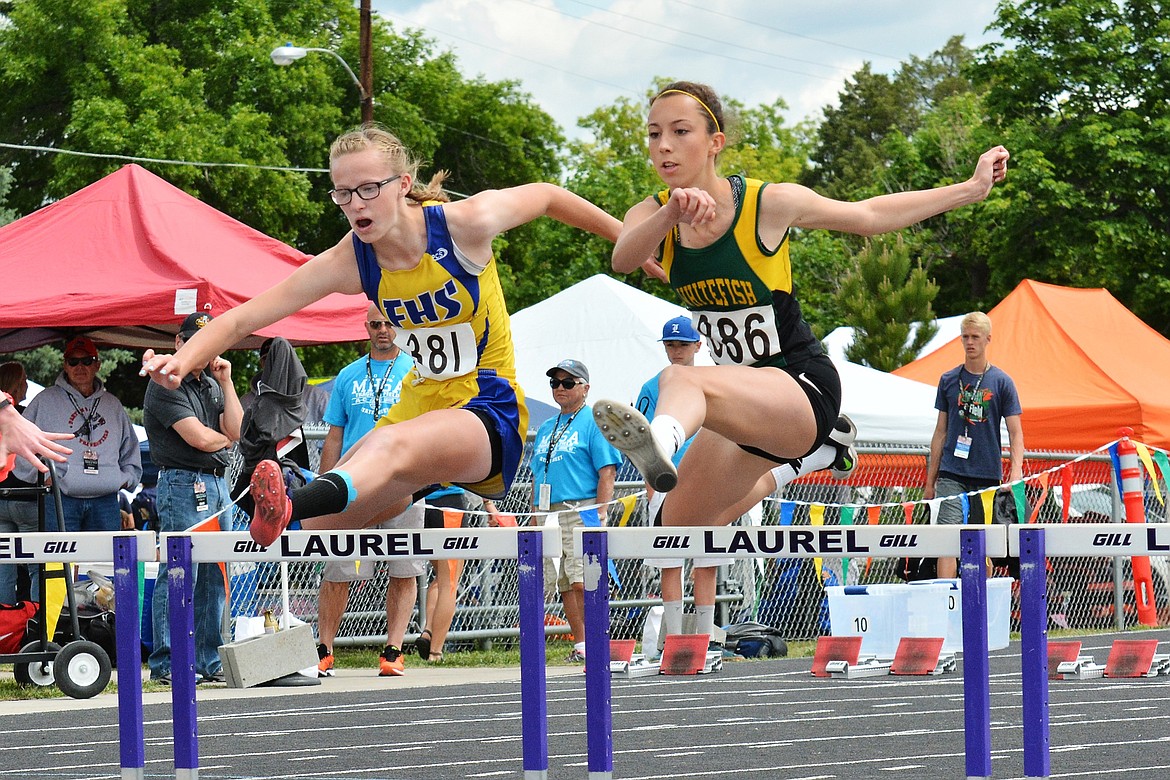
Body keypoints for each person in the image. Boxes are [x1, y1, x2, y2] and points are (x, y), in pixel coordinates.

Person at [139, 124, 629, 554]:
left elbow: (547, 195)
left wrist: (626, 237)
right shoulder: (351, 259)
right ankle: (348, 497)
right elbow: (243, 318)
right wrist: (181, 360)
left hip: (486, 406)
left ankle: (290, 497)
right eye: (342, 193)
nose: (355, 205)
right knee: (326, 521)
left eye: (369, 189)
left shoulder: (464, 226)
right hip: (420, 403)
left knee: (386, 446)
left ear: (404, 185)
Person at [594, 81, 1010, 538]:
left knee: (677, 376)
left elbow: (868, 216)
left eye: (679, 131)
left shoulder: (766, 204)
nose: (664, 146)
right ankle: (812, 458)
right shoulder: (652, 214)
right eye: (653, 134)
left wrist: (970, 189)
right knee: (673, 524)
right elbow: (624, 259)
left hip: (800, 387)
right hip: (742, 399)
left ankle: (662, 441)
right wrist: (672, 214)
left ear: (715, 143)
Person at [637, 316, 856, 650]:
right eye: (670, 345)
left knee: (706, 550)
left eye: (683, 344)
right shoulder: (656, 385)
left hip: (723, 457)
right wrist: (654, 482)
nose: (676, 351)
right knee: (678, 544)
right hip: (675, 482)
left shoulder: (720, 377)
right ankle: (821, 453)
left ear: (698, 345)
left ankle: (700, 638)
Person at [314, 304, 420, 677]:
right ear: (366, 327)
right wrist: (323, 488)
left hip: (403, 480)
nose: (382, 330)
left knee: (403, 566)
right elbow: (335, 434)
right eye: (375, 324)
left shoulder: (416, 370)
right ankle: (324, 648)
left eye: (389, 323)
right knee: (339, 568)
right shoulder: (348, 375)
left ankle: (393, 649)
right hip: (355, 481)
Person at [143, 312, 243, 685]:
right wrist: (227, 439)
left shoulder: (211, 384)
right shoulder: (163, 384)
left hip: (216, 483)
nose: (201, 351)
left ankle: (206, 659)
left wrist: (228, 383)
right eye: (193, 342)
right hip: (183, 483)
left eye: (210, 343)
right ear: (178, 344)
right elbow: (200, 438)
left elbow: (235, 427)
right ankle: (167, 662)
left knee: (216, 574)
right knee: (181, 570)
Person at [531, 359, 622, 662]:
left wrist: (600, 512)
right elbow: (537, 474)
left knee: (584, 580)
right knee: (564, 582)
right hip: (549, 512)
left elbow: (607, 471)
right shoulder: (546, 427)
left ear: (585, 387)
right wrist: (535, 514)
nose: (560, 388)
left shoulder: (593, 421)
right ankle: (582, 645)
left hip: (581, 506)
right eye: (555, 383)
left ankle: (598, 641)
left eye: (568, 383)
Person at [925, 311, 1024, 578]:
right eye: (965, 337)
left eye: (975, 337)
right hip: (951, 472)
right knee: (948, 535)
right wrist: (929, 481)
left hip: (987, 473)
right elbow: (940, 432)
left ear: (987, 339)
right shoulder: (948, 380)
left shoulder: (1001, 382)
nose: (970, 343)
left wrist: (1015, 473)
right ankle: (946, 599)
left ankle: (983, 600)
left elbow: (1016, 433)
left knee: (984, 541)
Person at [17, 337, 141, 533]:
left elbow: (130, 448)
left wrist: (126, 478)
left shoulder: (112, 404)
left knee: (105, 561)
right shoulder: (44, 401)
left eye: (87, 361)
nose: (80, 367)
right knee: (59, 561)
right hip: (61, 498)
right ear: (65, 365)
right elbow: (19, 443)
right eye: (73, 361)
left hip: (106, 499)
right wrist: (47, 478)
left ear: (97, 365)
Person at [0, 361, 69, 603]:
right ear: (17, 385)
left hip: (1, 500)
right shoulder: (23, 420)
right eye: (25, 378)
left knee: (3, 568)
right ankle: (39, 622)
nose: (28, 383)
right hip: (27, 498)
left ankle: (5, 626)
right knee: (38, 566)